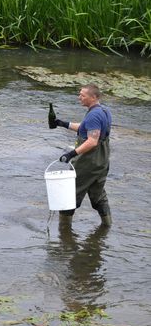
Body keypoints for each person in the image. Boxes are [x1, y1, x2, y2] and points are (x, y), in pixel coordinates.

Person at [52, 84, 112, 226]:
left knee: (69, 194)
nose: (79, 97)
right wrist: (62, 123)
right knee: (98, 194)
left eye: (82, 95)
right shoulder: (103, 110)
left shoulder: (94, 115)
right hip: (102, 160)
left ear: (93, 97)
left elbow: (92, 141)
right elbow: (85, 128)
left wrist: (71, 154)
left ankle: (64, 233)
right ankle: (107, 226)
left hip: (89, 160)